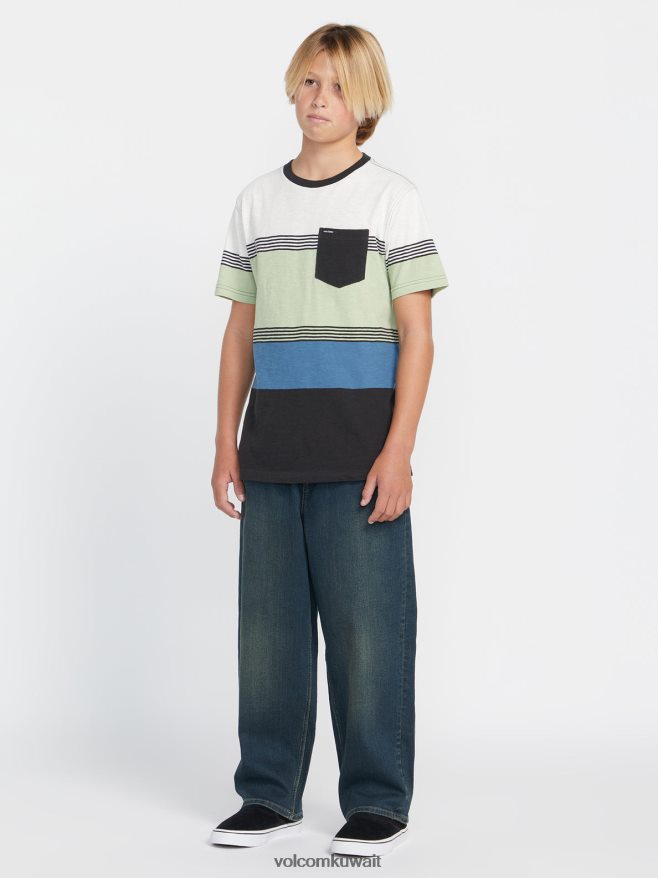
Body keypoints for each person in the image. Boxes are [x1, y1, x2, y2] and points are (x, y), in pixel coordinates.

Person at [209, 23, 449, 858]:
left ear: (367, 100)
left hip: (360, 460)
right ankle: (268, 793)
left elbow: (418, 335)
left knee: (368, 635)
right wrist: (225, 442)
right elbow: (239, 336)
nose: (321, 99)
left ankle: (378, 801)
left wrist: (399, 450)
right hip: (272, 454)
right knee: (268, 640)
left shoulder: (391, 199)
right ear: (293, 86)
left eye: (340, 86)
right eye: (311, 81)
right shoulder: (256, 203)